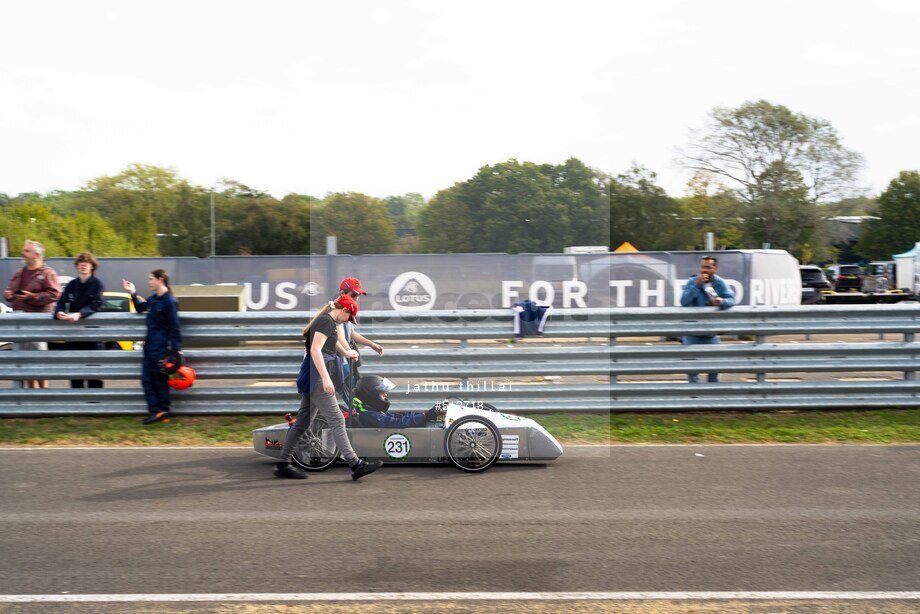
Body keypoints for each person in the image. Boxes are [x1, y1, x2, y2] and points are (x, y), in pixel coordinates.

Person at [274, 295, 382, 480]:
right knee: (338, 419)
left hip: (313, 375)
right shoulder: (326, 322)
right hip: (316, 377)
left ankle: (283, 463)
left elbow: (331, 343)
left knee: (302, 423)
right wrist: (325, 378)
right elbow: (316, 350)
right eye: (349, 317)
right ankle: (355, 464)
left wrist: (347, 352)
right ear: (344, 310)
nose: (349, 321)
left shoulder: (329, 322)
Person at [122, 270, 182, 424]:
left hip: (162, 350)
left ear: (160, 279)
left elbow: (174, 328)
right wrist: (133, 293)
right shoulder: (154, 299)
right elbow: (141, 307)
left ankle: (163, 412)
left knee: (160, 382)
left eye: (151, 279)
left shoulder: (170, 301)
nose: (149, 282)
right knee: (147, 380)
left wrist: (176, 351)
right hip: (149, 348)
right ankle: (156, 412)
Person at [3, 240, 61, 388]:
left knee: (39, 363)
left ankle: (44, 396)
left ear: (36, 254)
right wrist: (9, 294)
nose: (23, 253)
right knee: (25, 364)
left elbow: (55, 294)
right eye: (24, 250)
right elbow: (9, 290)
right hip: (19, 325)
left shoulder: (48, 273)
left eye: (26, 251)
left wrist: (31, 297)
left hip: (38, 325)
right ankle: (32, 399)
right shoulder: (19, 272)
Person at [680, 255, 736, 383]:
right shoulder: (693, 281)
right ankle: (694, 399)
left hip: (711, 333)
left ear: (714, 269)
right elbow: (684, 301)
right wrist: (696, 286)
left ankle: (712, 398)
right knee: (692, 371)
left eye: (708, 267)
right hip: (692, 333)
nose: (704, 270)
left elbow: (732, 299)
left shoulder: (719, 283)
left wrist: (722, 302)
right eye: (702, 267)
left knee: (714, 369)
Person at [53, 252, 104, 388]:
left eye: (86, 263)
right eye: (80, 263)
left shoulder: (97, 284)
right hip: (74, 336)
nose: (83, 266)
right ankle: (78, 407)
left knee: (94, 376)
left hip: (93, 338)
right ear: (77, 266)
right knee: (75, 376)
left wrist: (79, 314)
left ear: (92, 266)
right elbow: (61, 302)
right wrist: (59, 312)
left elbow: (96, 304)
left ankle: (95, 406)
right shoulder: (72, 284)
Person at [352, 375, 442, 428]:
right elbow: (397, 423)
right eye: (382, 392)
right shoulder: (369, 415)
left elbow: (399, 416)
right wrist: (424, 416)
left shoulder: (372, 410)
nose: (385, 395)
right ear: (371, 394)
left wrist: (425, 414)